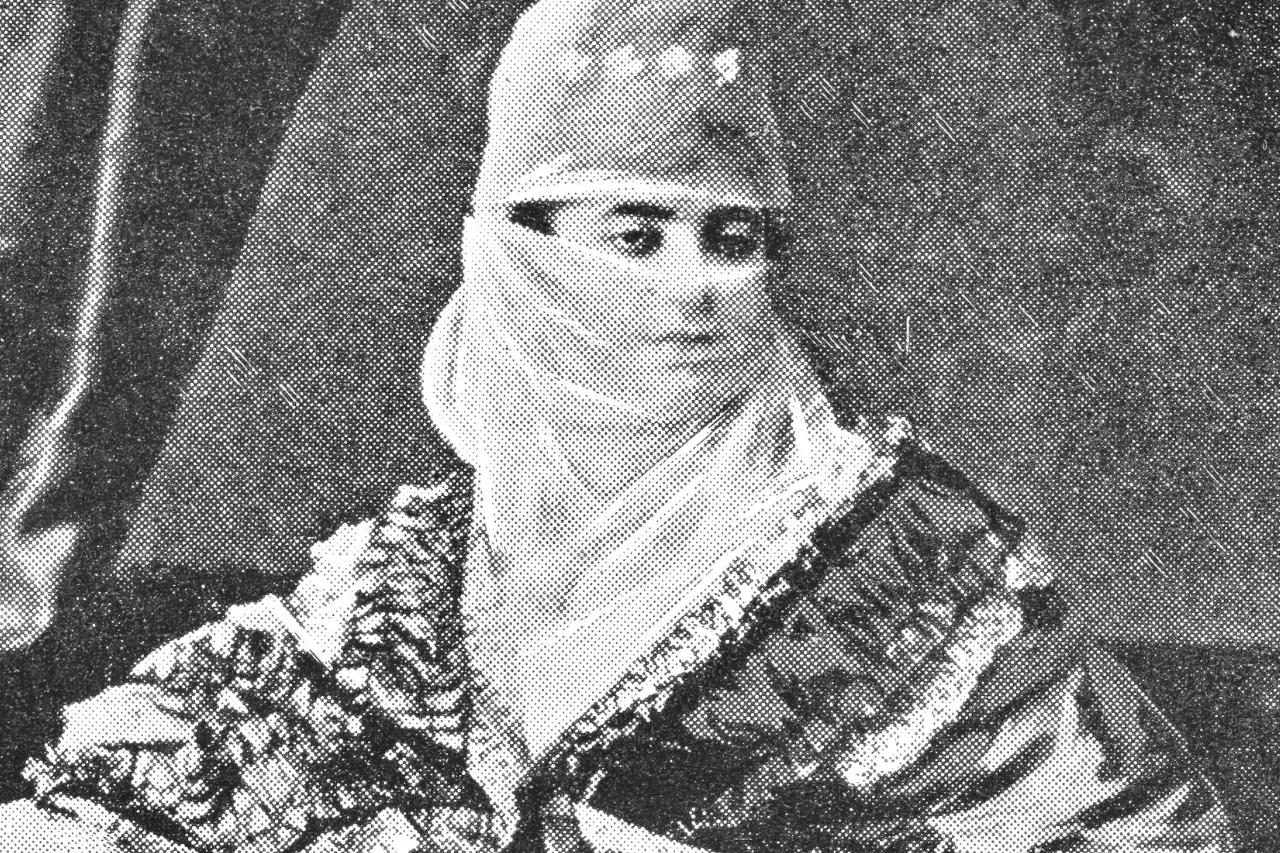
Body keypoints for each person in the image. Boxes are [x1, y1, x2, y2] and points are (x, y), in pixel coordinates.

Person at [0, 0, 1235, 850]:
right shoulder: (411, 580)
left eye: (732, 239)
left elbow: (1137, 830)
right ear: (516, 263)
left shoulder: (906, 566)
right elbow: (161, 776)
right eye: (635, 237)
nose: (696, 287)